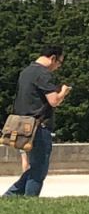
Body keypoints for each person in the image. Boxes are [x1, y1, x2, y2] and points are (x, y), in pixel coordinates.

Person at [4, 44, 71, 199]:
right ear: (53, 58)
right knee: (39, 169)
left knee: (34, 167)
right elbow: (53, 101)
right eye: (59, 63)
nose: (58, 67)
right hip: (39, 127)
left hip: (24, 125)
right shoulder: (43, 74)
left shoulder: (26, 72)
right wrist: (63, 92)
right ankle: (28, 200)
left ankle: (10, 197)